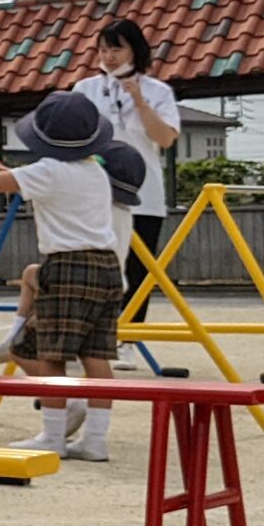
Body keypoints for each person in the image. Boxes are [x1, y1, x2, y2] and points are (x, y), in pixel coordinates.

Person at [0, 90, 134, 463]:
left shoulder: (48, 171)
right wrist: (2, 172)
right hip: (106, 266)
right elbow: (18, 181)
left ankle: (53, 435)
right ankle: (95, 439)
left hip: (68, 265)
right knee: (97, 355)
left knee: (50, 354)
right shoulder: (95, 171)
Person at [72, 18, 180, 318]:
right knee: (94, 263)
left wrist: (139, 101)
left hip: (143, 192)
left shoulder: (158, 91)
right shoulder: (85, 88)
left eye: (116, 49)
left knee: (137, 267)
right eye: (103, 49)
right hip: (96, 190)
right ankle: (93, 334)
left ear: (135, 50)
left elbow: (166, 138)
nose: (108, 56)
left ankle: (129, 338)